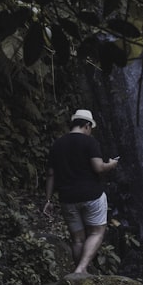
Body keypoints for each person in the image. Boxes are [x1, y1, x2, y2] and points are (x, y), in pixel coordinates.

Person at [43, 109, 120, 274]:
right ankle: (81, 269)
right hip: (92, 195)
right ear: (86, 125)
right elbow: (98, 168)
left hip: (67, 198)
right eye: (90, 127)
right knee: (97, 232)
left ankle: (81, 274)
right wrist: (111, 164)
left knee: (77, 240)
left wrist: (48, 200)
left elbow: (50, 174)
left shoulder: (57, 145)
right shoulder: (89, 142)